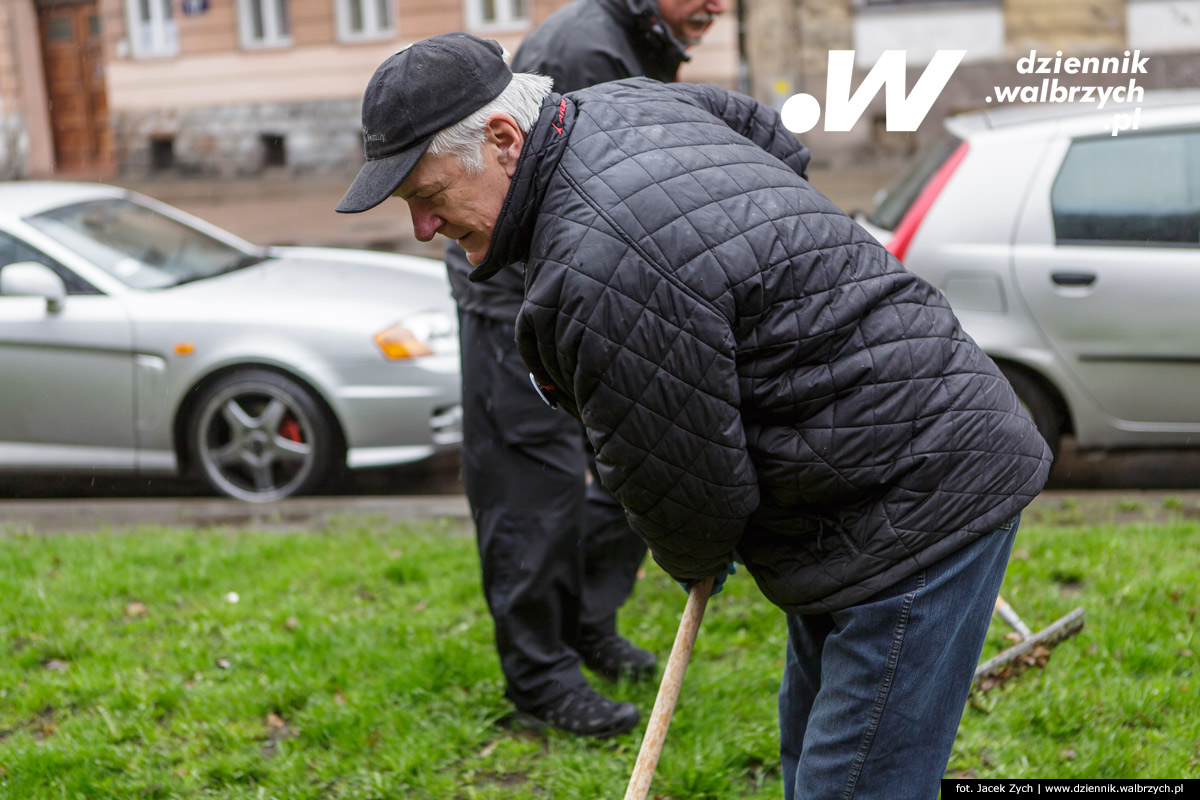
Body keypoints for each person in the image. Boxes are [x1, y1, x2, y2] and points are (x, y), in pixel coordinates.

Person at [336, 33, 1053, 798]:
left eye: (428, 196)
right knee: (815, 753)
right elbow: (772, 139)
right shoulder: (622, 103)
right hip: (851, 479)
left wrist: (695, 550)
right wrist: (767, 290)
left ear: (504, 140)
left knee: (856, 781)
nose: (421, 228)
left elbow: (689, 492)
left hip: (918, 492)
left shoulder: (599, 264)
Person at [438, 0, 724, 739]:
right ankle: (540, 676)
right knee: (531, 484)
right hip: (514, 291)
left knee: (633, 460)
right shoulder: (588, 50)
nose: (717, 5)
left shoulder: (635, 38)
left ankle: (588, 623)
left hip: (588, 283)